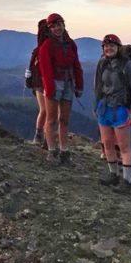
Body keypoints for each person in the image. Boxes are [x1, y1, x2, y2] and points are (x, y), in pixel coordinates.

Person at [94, 34, 131, 193]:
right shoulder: (102, 63)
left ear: (118, 47)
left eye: (112, 46)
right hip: (104, 107)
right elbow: (98, 85)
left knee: (124, 146)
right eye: (106, 46)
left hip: (121, 108)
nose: (108, 49)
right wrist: (96, 105)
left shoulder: (127, 65)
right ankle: (113, 174)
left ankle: (127, 181)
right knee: (107, 142)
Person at [37, 13, 84, 165]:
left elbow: (76, 64)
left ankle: (64, 152)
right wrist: (49, 89)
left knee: (64, 120)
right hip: (55, 83)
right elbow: (45, 70)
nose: (58, 28)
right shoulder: (47, 46)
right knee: (51, 120)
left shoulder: (70, 44)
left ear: (64, 25)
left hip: (68, 83)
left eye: (60, 25)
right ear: (50, 28)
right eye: (54, 26)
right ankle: (52, 151)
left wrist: (79, 84)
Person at [25, 19, 49, 146]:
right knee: (46, 110)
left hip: (40, 82)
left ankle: (44, 137)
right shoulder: (39, 50)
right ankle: (40, 136)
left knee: (45, 110)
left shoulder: (37, 50)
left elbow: (30, 67)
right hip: (39, 83)